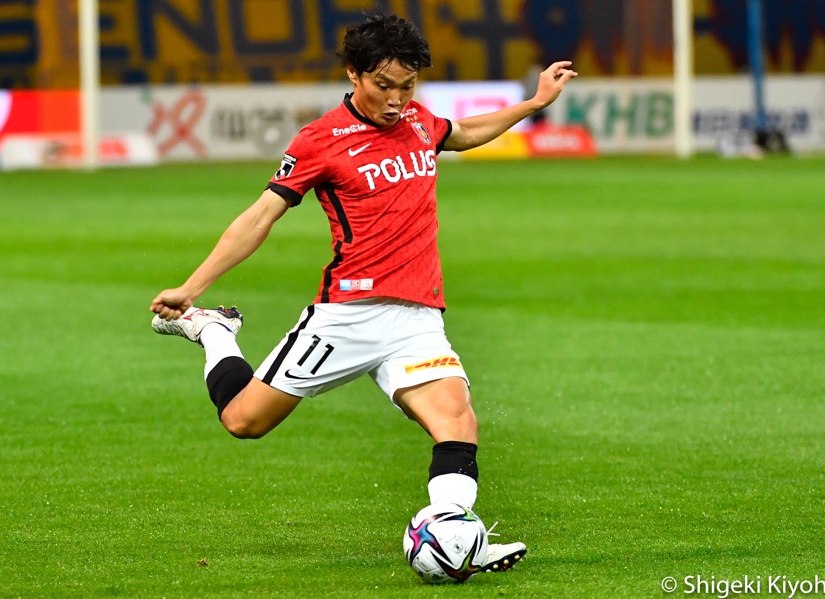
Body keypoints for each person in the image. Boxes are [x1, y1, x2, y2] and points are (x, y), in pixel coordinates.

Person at [150, 13, 576, 574]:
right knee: (243, 421)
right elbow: (259, 217)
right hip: (347, 315)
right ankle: (214, 331)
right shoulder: (319, 140)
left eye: (408, 86)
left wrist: (534, 103)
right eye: (383, 85)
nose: (396, 100)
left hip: (417, 316)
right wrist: (192, 288)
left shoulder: (419, 121)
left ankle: (454, 538)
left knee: (457, 420)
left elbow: (465, 132)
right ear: (354, 74)